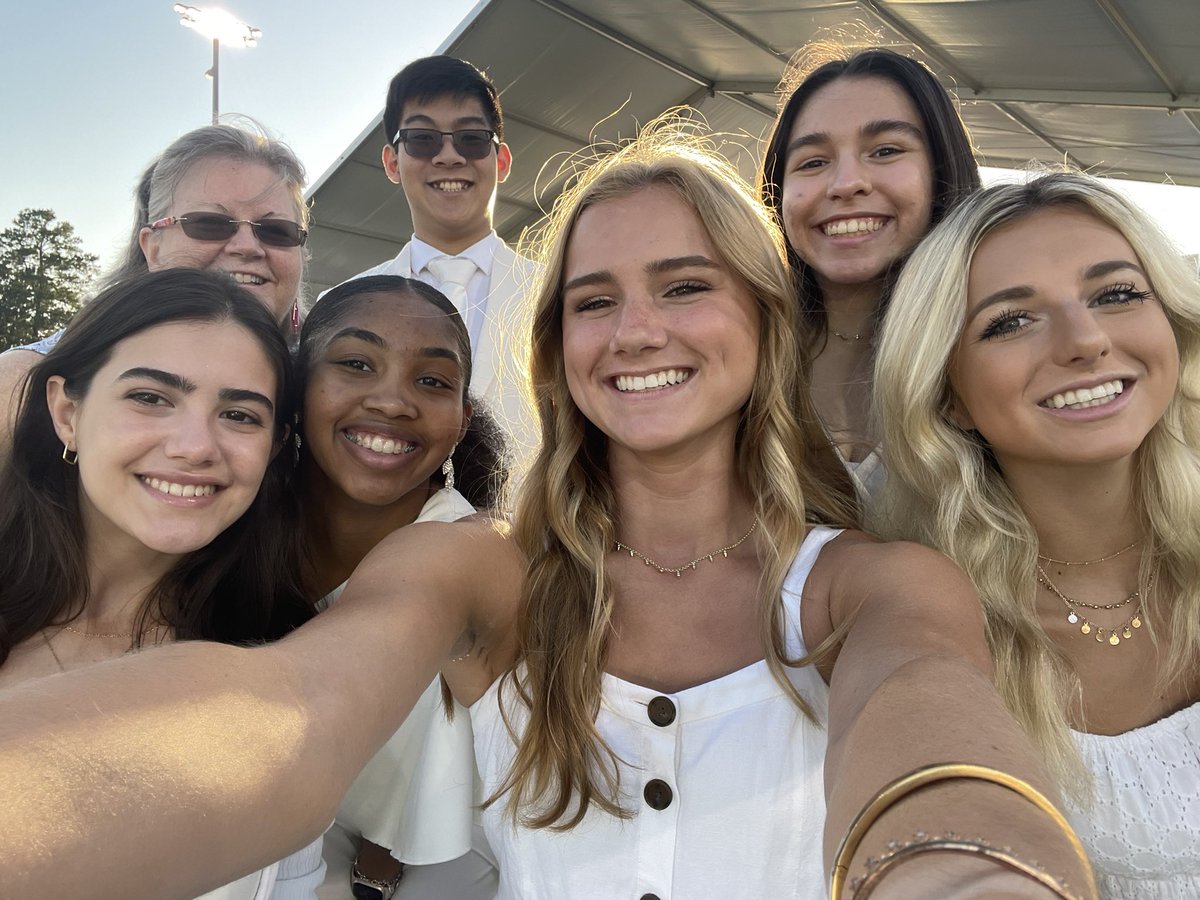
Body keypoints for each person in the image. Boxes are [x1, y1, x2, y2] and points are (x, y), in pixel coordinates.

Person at [0, 129, 1097, 899]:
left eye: (684, 285)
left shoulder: (872, 582)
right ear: (555, 351)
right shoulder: (480, 568)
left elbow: (931, 730)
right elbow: (292, 716)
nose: (635, 332)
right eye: (593, 300)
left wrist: (964, 873)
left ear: (765, 321)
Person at [874, 172, 1200, 897]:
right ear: (948, 396)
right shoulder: (922, 624)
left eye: (1116, 294)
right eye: (1010, 321)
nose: (1085, 341)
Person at [0, 267, 323, 898]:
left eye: (239, 414)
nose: (195, 446)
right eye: (151, 397)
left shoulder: (286, 659)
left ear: (277, 445)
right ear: (67, 412)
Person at [296, 275, 504, 899]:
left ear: (463, 418)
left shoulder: (487, 556)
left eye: (433, 381)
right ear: (297, 383)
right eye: (356, 363)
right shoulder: (232, 527)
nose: (393, 401)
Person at [0, 122, 310, 452]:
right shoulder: (21, 386)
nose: (247, 246)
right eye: (208, 223)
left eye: (277, 230)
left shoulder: (329, 384)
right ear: (153, 247)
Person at [759, 47, 980, 503]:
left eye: (885, 151)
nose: (845, 183)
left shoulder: (994, 344)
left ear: (940, 170)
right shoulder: (743, 350)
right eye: (813, 162)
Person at [346, 55, 539, 457]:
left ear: (501, 161)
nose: (449, 156)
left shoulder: (559, 292)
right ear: (392, 162)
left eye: (471, 138)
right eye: (422, 139)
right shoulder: (346, 304)